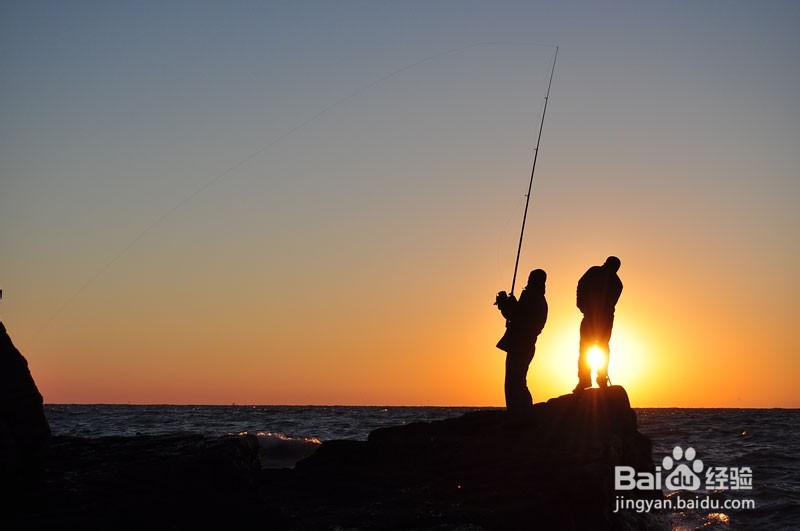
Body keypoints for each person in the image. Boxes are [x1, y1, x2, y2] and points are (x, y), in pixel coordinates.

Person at [495, 269, 548, 413]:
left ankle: (519, 414)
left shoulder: (532, 297)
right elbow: (519, 314)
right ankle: (524, 412)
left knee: (513, 383)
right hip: (526, 346)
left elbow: (516, 317)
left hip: (520, 346)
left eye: (531, 278)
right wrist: (510, 304)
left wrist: (505, 304)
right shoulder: (539, 299)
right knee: (518, 382)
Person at [573, 256, 623, 392]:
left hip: (603, 320)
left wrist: (584, 306)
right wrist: (581, 305)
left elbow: (611, 302)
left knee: (598, 348)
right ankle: (585, 380)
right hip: (592, 317)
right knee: (586, 348)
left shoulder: (617, 283)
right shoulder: (595, 272)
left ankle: (599, 379)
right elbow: (581, 285)